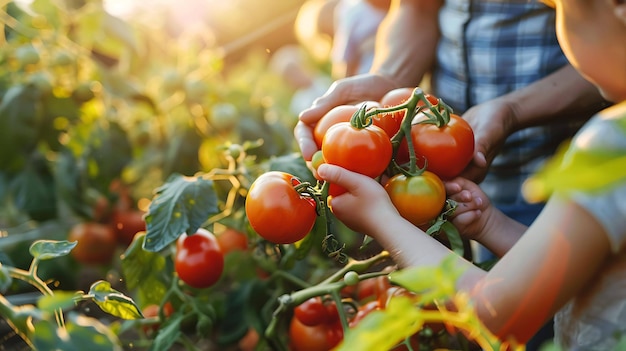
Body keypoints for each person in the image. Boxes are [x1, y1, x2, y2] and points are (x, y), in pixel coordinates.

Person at [314, 0, 626, 349]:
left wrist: (380, 218)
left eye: (560, 10)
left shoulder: (611, 147)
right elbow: (590, 268)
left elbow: (496, 314)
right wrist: (491, 225)